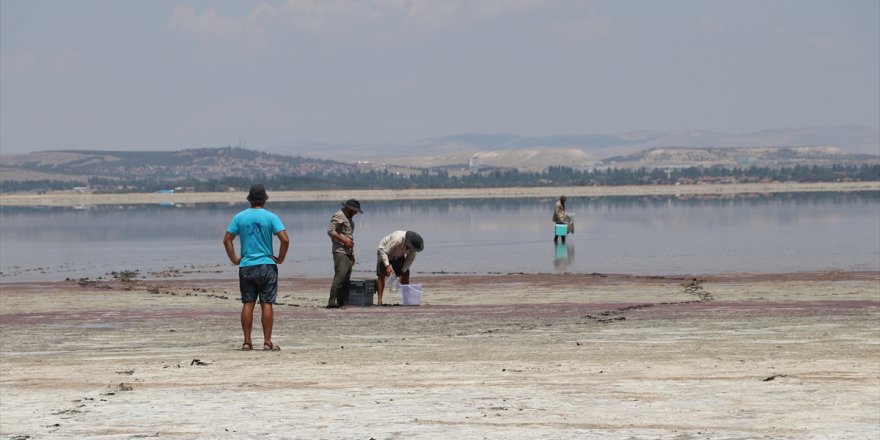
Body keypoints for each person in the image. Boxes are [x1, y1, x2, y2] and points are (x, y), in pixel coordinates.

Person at [223, 184, 289, 351]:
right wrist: (280, 259)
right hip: (267, 265)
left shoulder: (239, 217)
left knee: (248, 303)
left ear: (250, 199)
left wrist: (235, 259)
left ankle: (247, 341)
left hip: (247, 266)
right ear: (264, 200)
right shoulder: (271, 217)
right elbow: (285, 239)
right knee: (267, 303)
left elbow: (227, 240)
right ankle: (267, 342)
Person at [326, 199, 362, 308]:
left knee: (346, 278)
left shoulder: (349, 219)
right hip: (340, 251)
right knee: (340, 277)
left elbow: (349, 237)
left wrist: (352, 254)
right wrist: (344, 241)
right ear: (349, 209)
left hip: (348, 252)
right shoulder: (339, 215)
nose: (356, 213)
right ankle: (332, 302)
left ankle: (342, 302)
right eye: (355, 211)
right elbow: (330, 231)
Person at [376, 231, 424, 306]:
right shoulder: (397, 239)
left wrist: (402, 272)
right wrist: (387, 266)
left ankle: (407, 300)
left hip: (399, 255)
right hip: (385, 251)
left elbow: (409, 260)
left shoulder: (413, 248)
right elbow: (385, 252)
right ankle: (379, 301)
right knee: (381, 274)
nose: (410, 249)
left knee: (406, 274)